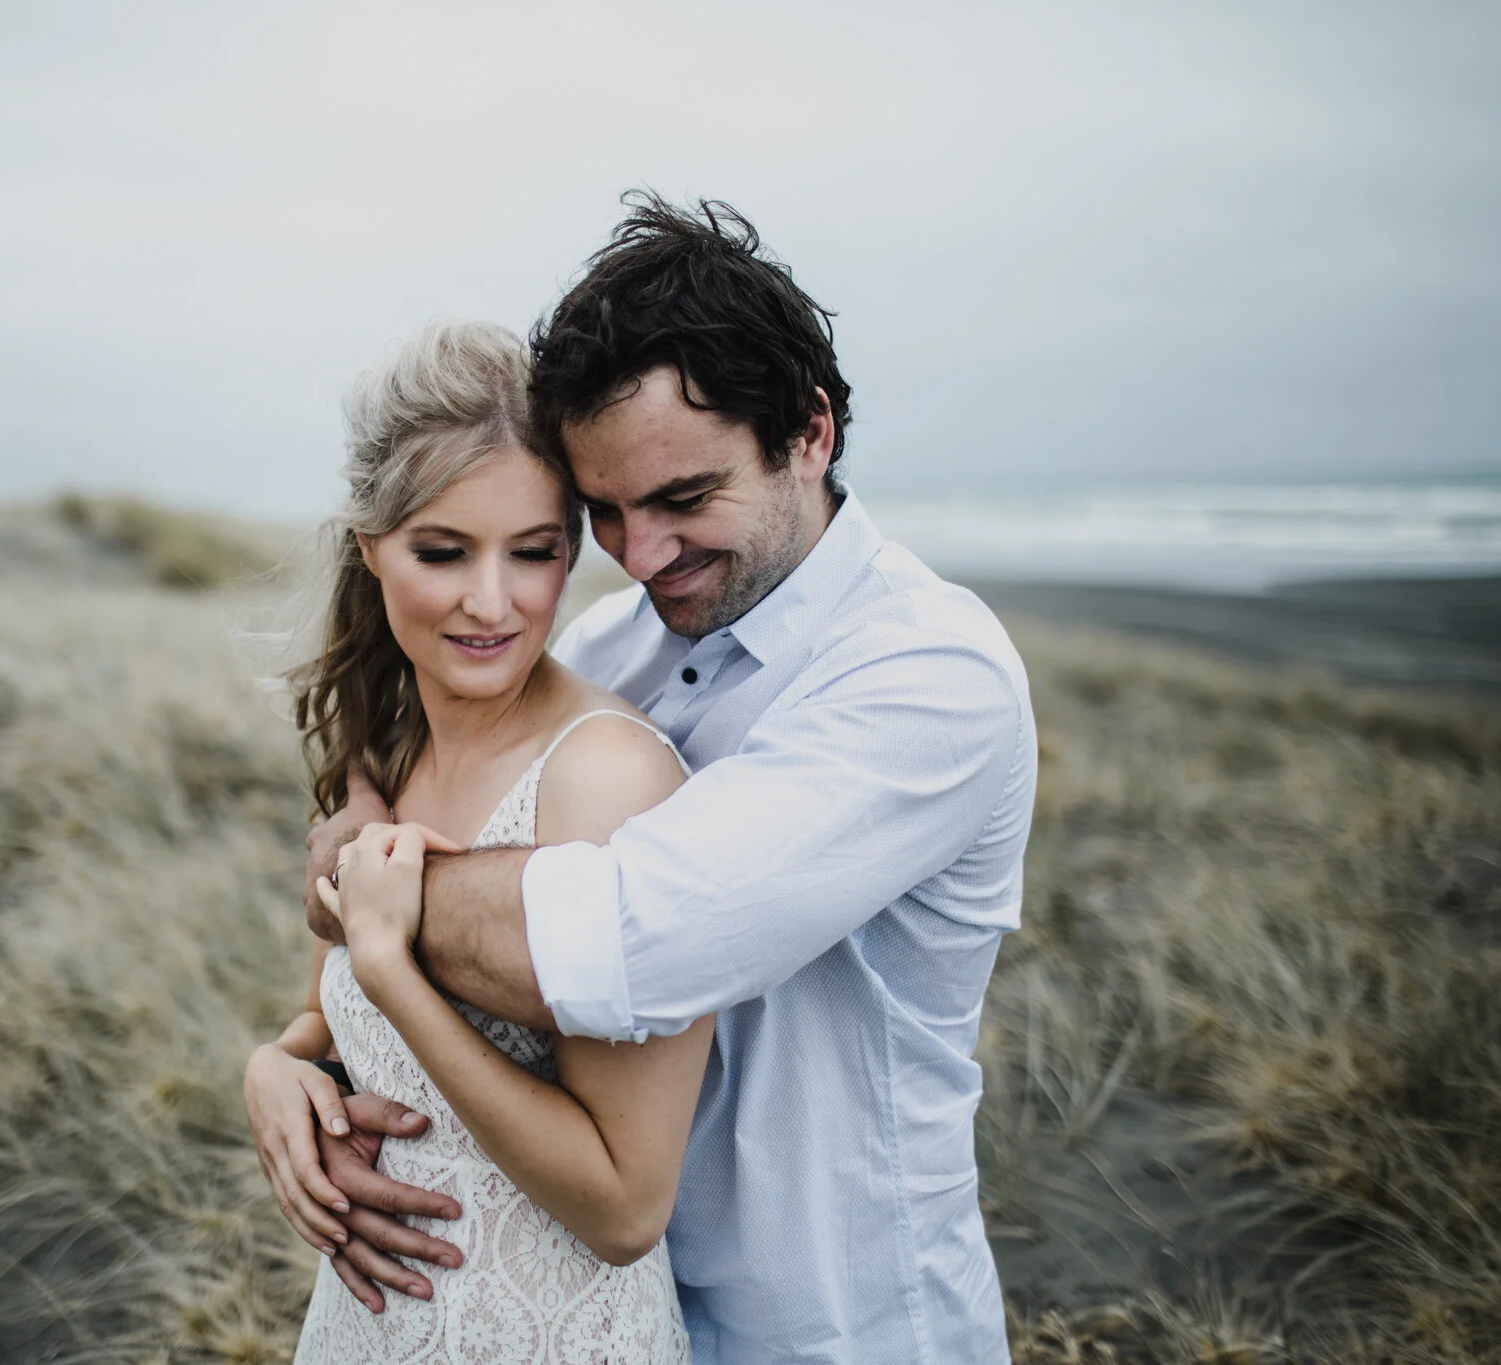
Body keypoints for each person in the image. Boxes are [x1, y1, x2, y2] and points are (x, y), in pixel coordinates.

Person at [257, 196, 1039, 1364]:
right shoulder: (626, 641)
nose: (643, 552)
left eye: (683, 500)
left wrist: (371, 895)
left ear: (809, 431)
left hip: (833, 1322)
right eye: (605, 514)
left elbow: (628, 941)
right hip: (612, 1301)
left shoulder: (928, 674)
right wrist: (281, 1060)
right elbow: (444, 764)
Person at [244, 319, 707, 1362]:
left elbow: (625, 1207)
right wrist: (272, 1070)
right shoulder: (385, 742)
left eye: (533, 554)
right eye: (442, 552)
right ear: (370, 550)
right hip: (366, 1329)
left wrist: (391, 971)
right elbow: (323, 1018)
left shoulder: (602, 778)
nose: (490, 603)